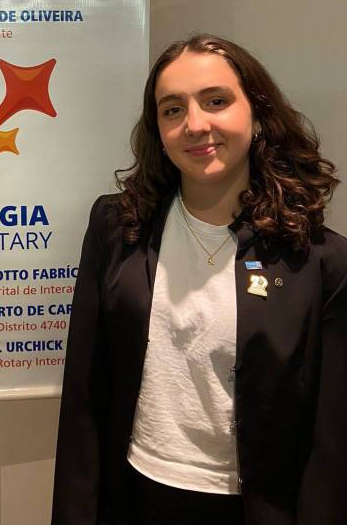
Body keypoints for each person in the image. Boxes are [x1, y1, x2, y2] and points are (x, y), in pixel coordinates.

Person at [51, 34, 347, 525]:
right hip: (135, 496)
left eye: (216, 101)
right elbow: (85, 395)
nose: (194, 124)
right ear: (159, 132)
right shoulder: (116, 228)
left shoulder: (321, 261)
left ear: (258, 115)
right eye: (173, 110)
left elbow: (331, 443)